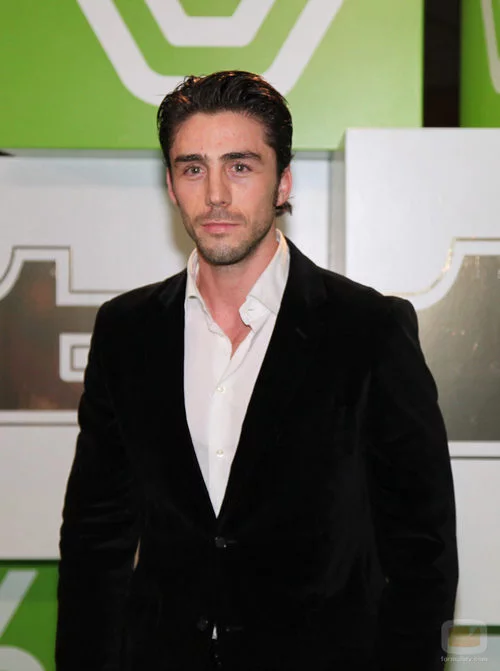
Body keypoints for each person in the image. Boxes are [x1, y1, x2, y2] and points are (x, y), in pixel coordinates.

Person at [55, 70, 458, 671]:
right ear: (171, 185)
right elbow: (96, 536)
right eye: (193, 168)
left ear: (282, 181)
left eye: (240, 166)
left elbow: (422, 549)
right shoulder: (127, 330)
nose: (216, 194)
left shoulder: (367, 330)